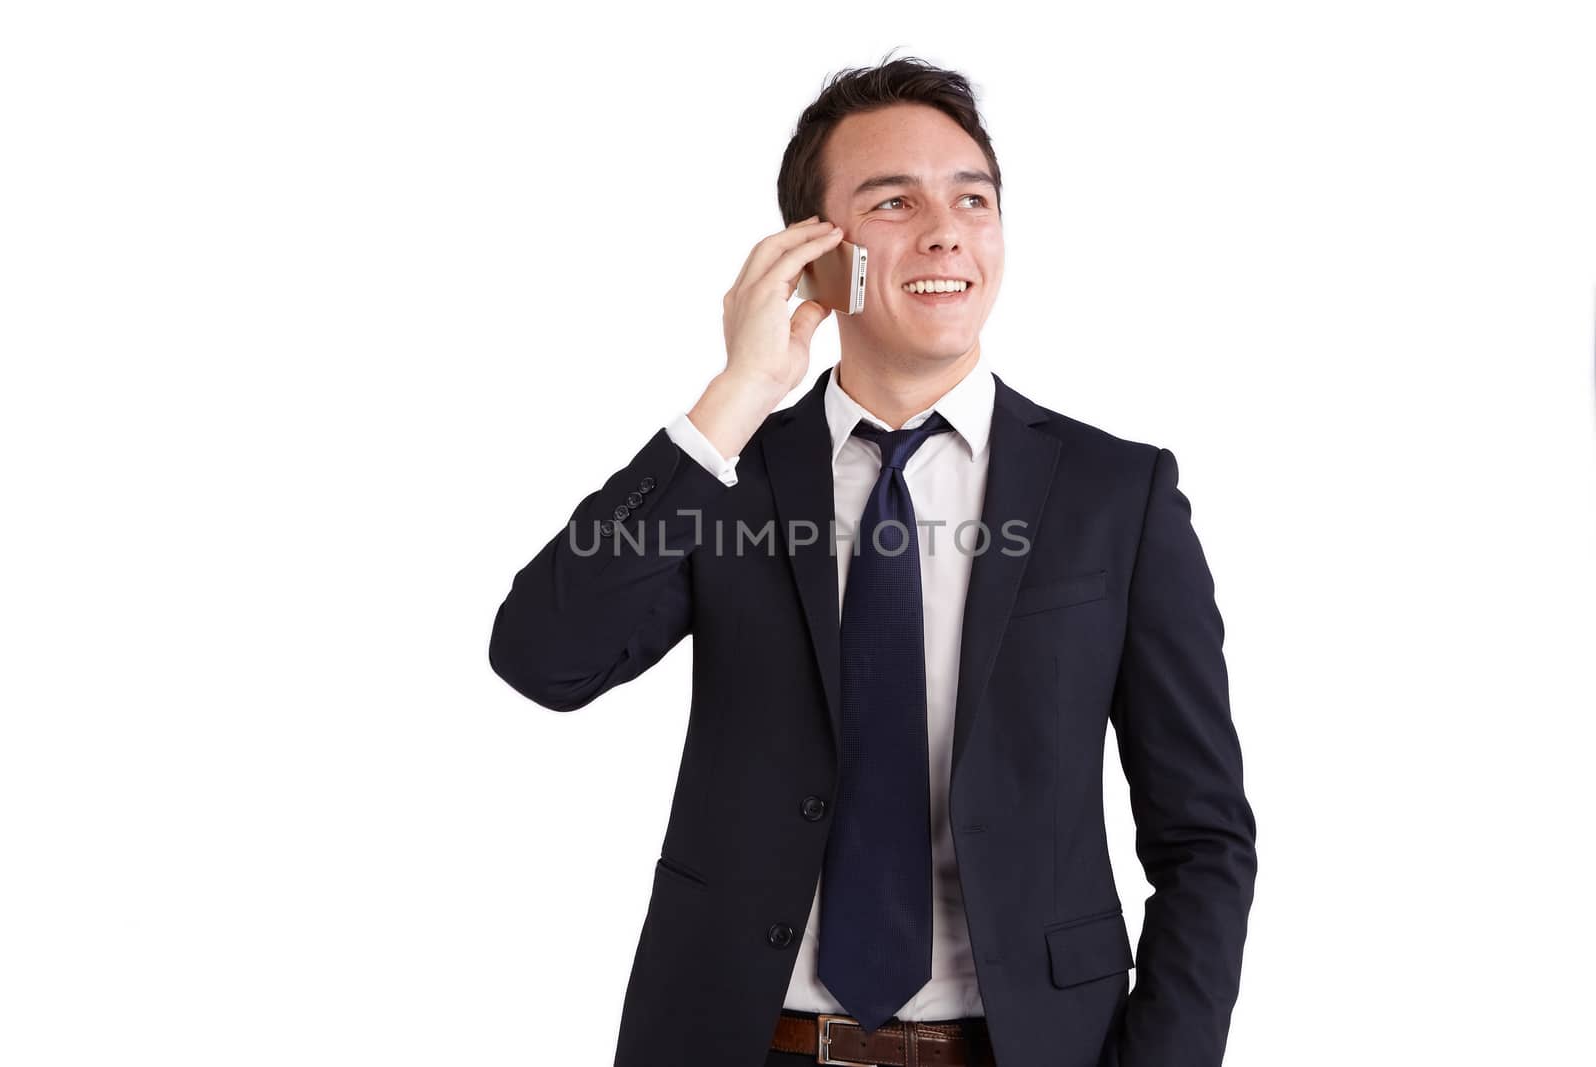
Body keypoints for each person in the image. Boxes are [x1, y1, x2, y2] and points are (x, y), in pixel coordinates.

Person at [488, 53, 1257, 1067]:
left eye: (971, 197)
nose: (945, 227)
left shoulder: (1120, 494)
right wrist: (738, 389)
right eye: (893, 200)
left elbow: (1203, 838)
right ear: (815, 252)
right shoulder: (731, 476)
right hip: (747, 1041)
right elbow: (546, 655)